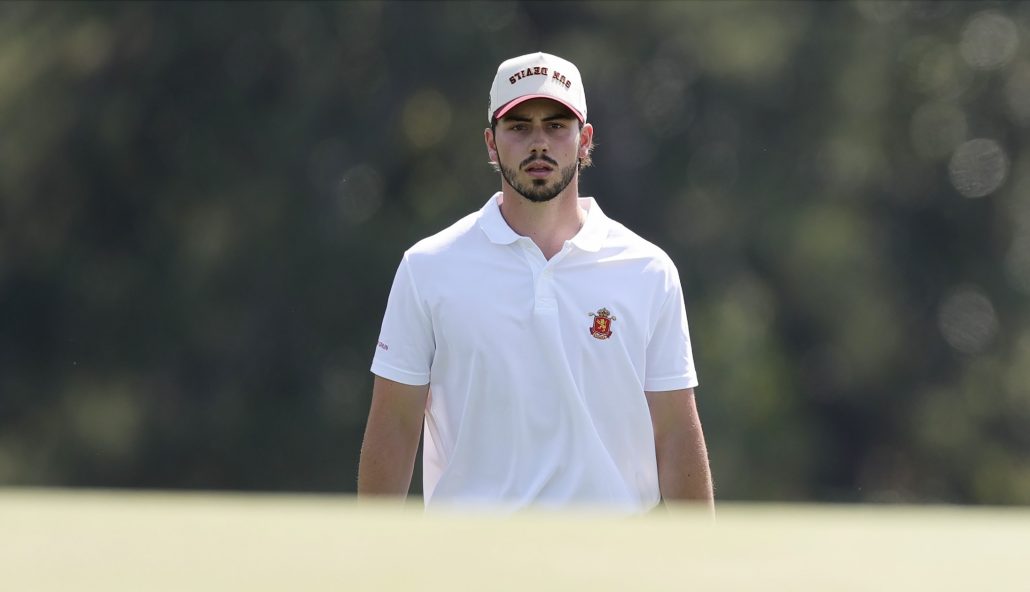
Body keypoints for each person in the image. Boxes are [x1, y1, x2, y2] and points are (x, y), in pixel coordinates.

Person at [358, 52, 713, 513]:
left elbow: (675, 432)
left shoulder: (648, 270)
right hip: (468, 561)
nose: (538, 143)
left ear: (585, 139)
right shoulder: (427, 267)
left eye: (556, 126)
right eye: (519, 126)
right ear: (491, 143)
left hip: (613, 563)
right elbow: (396, 424)